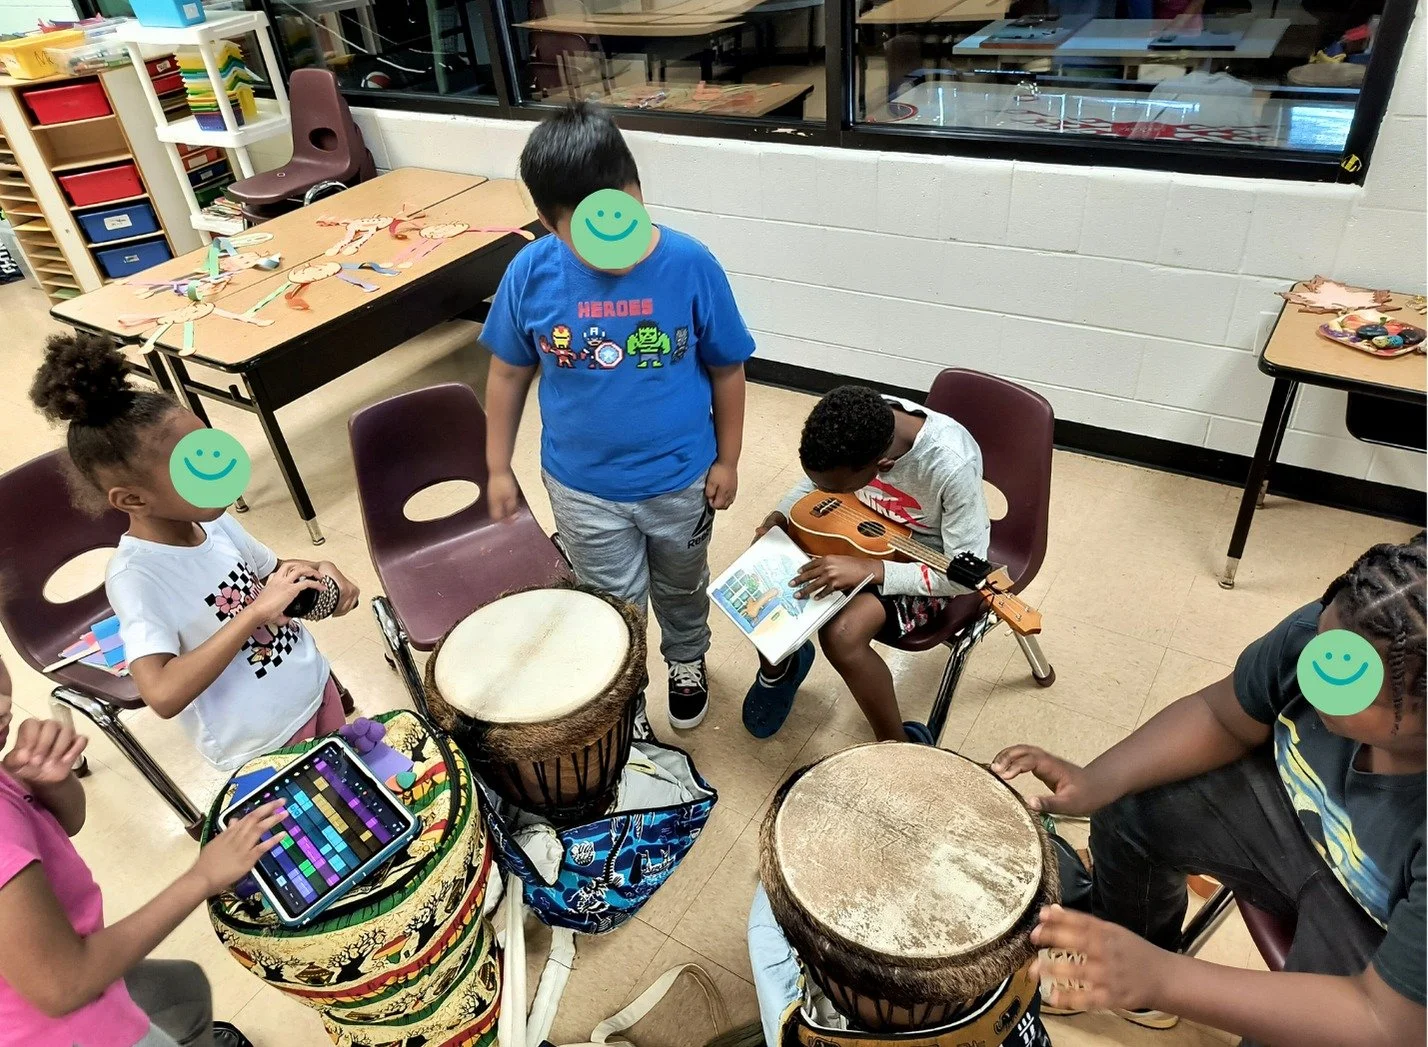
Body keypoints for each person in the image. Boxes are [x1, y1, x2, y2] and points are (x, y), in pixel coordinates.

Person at [994, 533, 1426, 1047]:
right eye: (1321, 649)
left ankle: (1143, 977)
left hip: (1378, 929)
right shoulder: (1343, 627)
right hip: (1297, 819)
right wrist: (1095, 781)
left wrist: (1164, 978)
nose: (1314, 679)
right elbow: (1222, 715)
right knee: (1132, 804)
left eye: (1350, 687)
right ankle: (1132, 980)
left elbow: (1388, 1022)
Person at [481, 101, 754, 731]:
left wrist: (730, 459)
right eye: (588, 229)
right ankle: (625, 689)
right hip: (583, 490)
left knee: (682, 584)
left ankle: (687, 656)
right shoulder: (530, 273)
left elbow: (727, 368)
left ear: (637, 190)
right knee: (612, 602)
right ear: (549, 224)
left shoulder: (690, 264)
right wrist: (496, 466)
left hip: (682, 479)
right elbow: (507, 372)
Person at [29, 334, 361, 772]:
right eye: (192, 466)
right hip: (264, 741)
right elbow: (162, 694)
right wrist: (254, 614)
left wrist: (320, 571)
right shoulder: (136, 578)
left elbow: (273, 573)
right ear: (132, 499)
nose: (218, 469)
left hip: (314, 687)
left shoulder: (214, 523)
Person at [0, 658, 287, 1046]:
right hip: (71, 1028)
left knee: (185, 988)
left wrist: (47, 786)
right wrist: (202, 877)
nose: (4, 704)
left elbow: (63, 825)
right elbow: (64, 985)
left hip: (51, 975)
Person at [744, 386, 990, 743]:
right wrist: (779, 518)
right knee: (765, 571)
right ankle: (778, 670)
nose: (823, 490)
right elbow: (814, 483)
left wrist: (871, 570)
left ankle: (894, 743)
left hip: (919, 560)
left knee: (842, 635)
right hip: (854, 534)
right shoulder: (855, 428)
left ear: (883, 466)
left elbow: (962, 577)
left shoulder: (951, 464)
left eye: (835, 488)